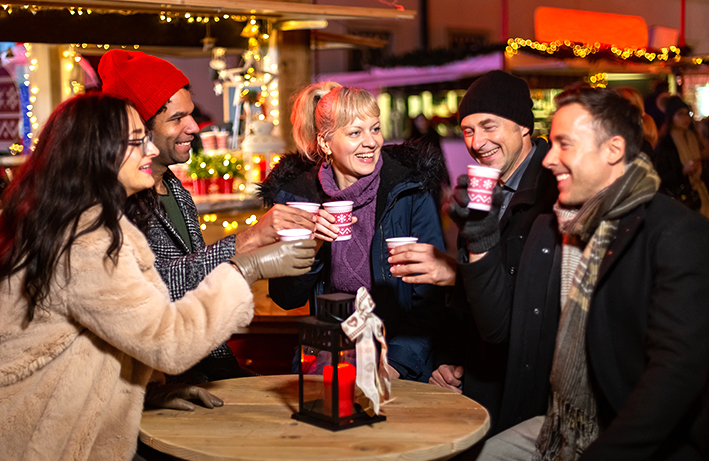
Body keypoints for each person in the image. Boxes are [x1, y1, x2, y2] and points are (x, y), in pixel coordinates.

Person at [0, 93, 316, 461]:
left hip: (72, 425)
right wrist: (245, 269)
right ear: (97, 153)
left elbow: (101, 335)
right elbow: (168, 341)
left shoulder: (88, 222)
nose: (150, 148)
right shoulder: (84, 240)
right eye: (137, 141)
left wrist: (148, 390)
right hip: (48, 445)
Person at [451, 86, 709, 461]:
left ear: (613, 150)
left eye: (564, 145)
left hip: (651, 442)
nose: (550, 158)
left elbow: (675, 375)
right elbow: (500, 329)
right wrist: (481, 239)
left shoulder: (674, 233)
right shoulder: (553, 229)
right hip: (561, 425)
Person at [98, 50, 317, 389]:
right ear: (139, 128)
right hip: (155, 379)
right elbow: (154, 287)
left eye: (190, 115)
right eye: (177, 118)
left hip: (206, 363)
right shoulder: (114, 200)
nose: (193, 127)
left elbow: (199, 287)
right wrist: (248, 244)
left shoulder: (176, 191)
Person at [390, 70, 558, 434]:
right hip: (482, 381)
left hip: (530, 395)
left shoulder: (553, 192)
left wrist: (453, 272)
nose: (477, 141)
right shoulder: (487, 190)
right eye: (467, 130)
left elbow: (526, 301)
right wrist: (450, 360)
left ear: (523, 126)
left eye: (488, 126)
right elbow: (475, 307)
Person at [258, 82, 449, 381]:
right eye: (355, 133)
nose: (371, 142)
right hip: (327, 358)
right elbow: (286, 297)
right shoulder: (299, 197)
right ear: (325, 143)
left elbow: (431, 296)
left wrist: (396, 363)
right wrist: (313, 245)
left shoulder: (408, 190)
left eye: (375, 129)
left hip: (396, 357)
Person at [653, 95, 709, 218]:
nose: (685, 118)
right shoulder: (666, 144)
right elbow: (660, 176)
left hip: (700, 195)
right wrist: (682, 171)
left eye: (687, 114)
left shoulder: (694, 138)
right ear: (671, 118)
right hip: (680, 200)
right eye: (680, 114)